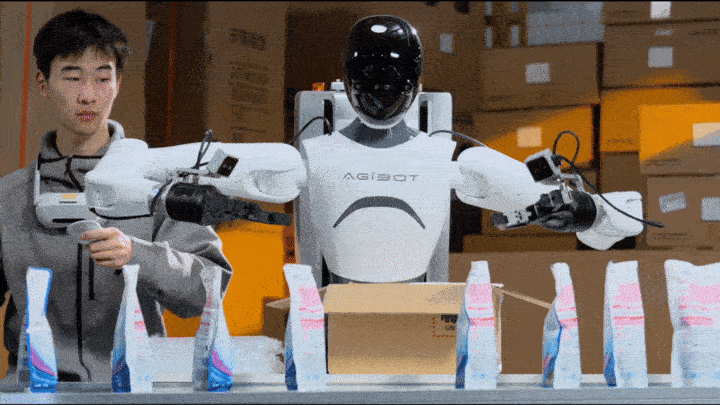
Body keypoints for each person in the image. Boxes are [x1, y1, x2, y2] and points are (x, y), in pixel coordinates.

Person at [0, 9, 232, 382]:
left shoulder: (162, 184)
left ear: (118, 83)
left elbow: (206, 292)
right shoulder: (9, 196)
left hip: (134, 384)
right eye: (72, 77)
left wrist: (136, 254)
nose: (88, 96)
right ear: (43, 83)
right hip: (33, 388)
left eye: (102, 78)